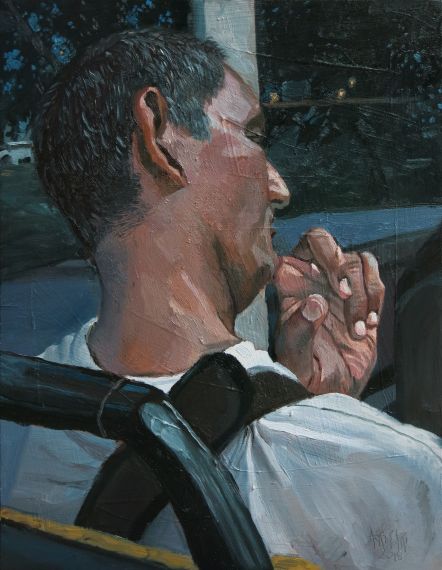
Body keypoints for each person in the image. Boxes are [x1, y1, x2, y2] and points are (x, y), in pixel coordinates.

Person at [2, 29, 441, 569]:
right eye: (252, 135)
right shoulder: (398, 477)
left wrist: (300, 398)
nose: (279, 187)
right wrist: (319, 419)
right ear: (158, 133)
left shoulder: (14, 425)